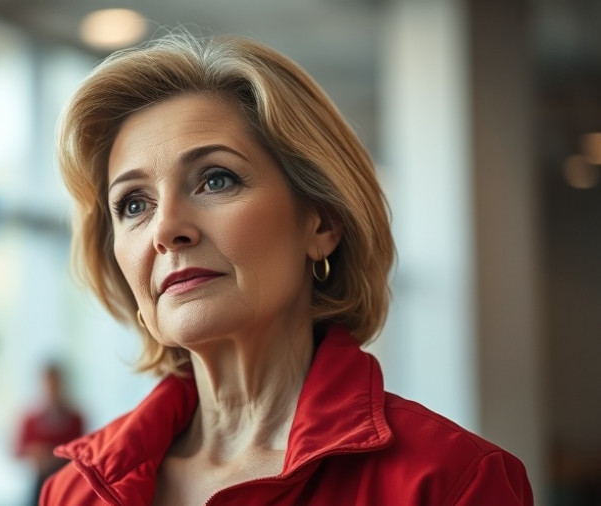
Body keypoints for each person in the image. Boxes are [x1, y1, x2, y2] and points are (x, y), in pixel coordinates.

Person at [42, 32, 533, 505]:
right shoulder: (72, 494)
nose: (166, 229)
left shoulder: (453, 482)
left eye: (215, 179)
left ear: (322, 221)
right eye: (132, 205)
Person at [16, 362, 85, 505]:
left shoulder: (75, 418)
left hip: (67, 483)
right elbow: (18, 452)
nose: (52, 387)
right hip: (40, 482)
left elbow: (82, 452)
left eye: (55, 382)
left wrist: (54, 457)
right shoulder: (30, 420)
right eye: (49, 383)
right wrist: (36, 453)